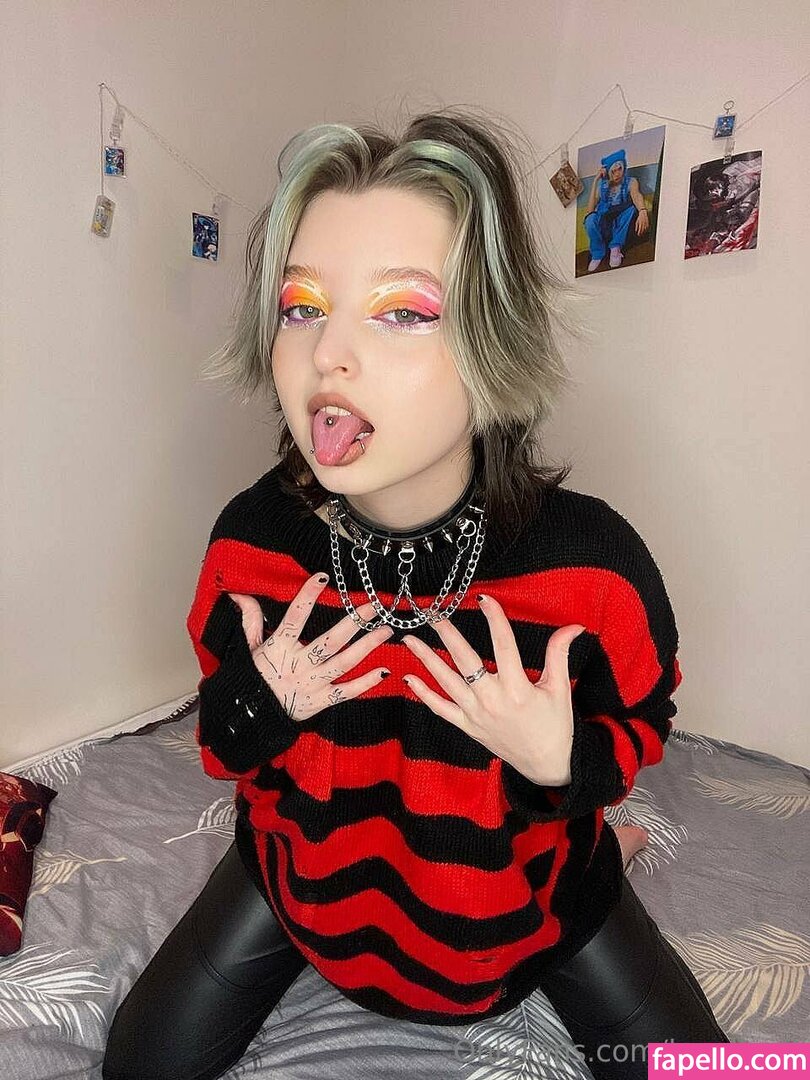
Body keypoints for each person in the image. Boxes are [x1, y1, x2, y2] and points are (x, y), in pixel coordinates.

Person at [102, 108, 727, 1080]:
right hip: (296, 893)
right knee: (135, 1067)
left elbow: (641, 724)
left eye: (401, 311)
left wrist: (562, 763)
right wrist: (261, 704)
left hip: (539, 911)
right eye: (303, 307)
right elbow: (220, 741)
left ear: (493, 339)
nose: (328, 354)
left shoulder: (592, 565)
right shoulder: (251, 545)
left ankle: (617, 851)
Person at [583, 148, 650, 271]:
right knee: (590, 219)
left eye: (619, 169)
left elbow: (636, 195)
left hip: (620, 226)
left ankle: (615, 249)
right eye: (613, 171)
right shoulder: (602, 186)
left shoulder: (631, 182)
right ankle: (597, 254)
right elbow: (590, 211)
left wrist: (642, 210)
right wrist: (595, 181)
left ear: (624, 167)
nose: (617, 174)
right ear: (608, 172)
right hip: (605, 226)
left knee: (631, 209)